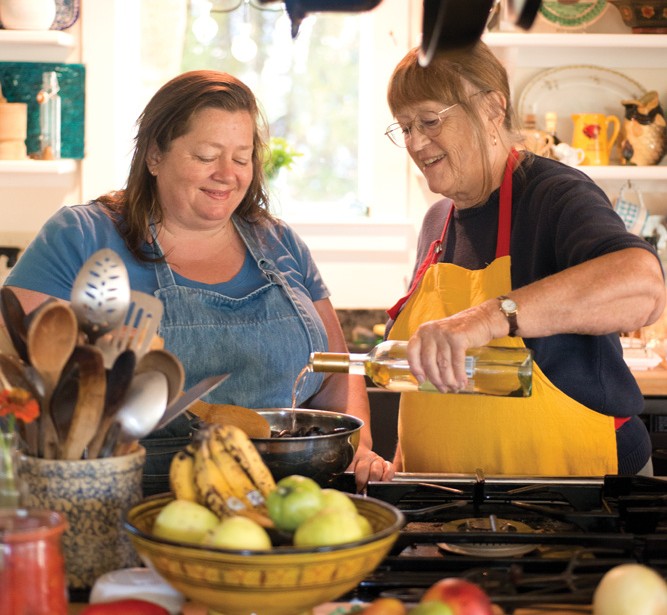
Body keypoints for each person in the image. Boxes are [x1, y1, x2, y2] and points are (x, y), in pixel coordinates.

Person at [3, 70, 393, 491]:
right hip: (127, 505)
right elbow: (18, 373)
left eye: (242, 158)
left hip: (291, 501)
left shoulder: (280, 242)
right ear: (154, 154)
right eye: (207, 155)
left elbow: (337, 370)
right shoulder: (81, 236)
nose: (227, 174)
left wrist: (360, 449)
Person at [383, 42, 665, 476]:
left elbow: (644, 287)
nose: (416, 142)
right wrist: (400, 467)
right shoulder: (437, 223)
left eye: (429, 120)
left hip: (574, 497)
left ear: (493, 108)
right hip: (445, 503)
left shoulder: (554, 195)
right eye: (404, 128)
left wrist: (488, 318)